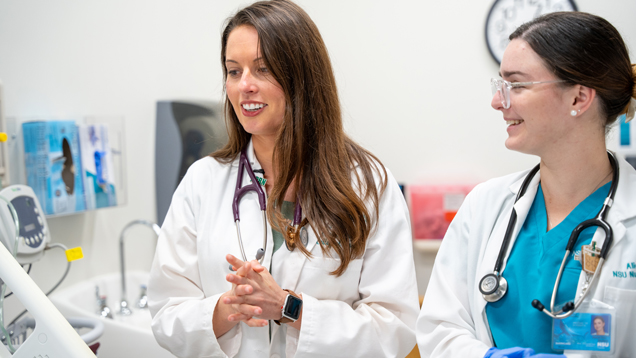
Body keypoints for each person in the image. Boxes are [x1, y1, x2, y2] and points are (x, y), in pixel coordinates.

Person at [147, 1, 419, 357]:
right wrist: (228, 308)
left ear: (301, 77)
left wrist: (289, 308)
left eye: (262, 69)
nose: (244, 85)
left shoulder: (367, 184)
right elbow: (165, 312)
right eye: (233, 71)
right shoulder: (203, 182)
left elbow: (395, 330)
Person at [417, 11, 636, 358]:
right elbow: (440, 328)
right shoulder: (484, 206)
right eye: (500, 85)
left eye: (516, 85)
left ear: (579, 98)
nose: (497, 102)